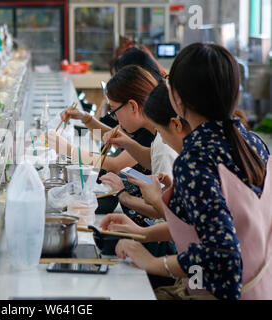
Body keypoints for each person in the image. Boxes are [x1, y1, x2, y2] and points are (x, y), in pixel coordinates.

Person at [105, 43, 271, 300]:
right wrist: (144, 233)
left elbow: (222, 259)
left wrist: (151, 262)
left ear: (177, 99)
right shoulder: (252, 142)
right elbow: (225, 225)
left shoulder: (195, 160)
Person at [100, 83, 180, 219]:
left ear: (133, 106)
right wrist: (128, 143)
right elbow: (152, 158)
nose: (115, 118)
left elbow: (167, 216)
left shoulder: (164, 145)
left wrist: (123, 195)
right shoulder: (162, 135)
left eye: (114, 111)